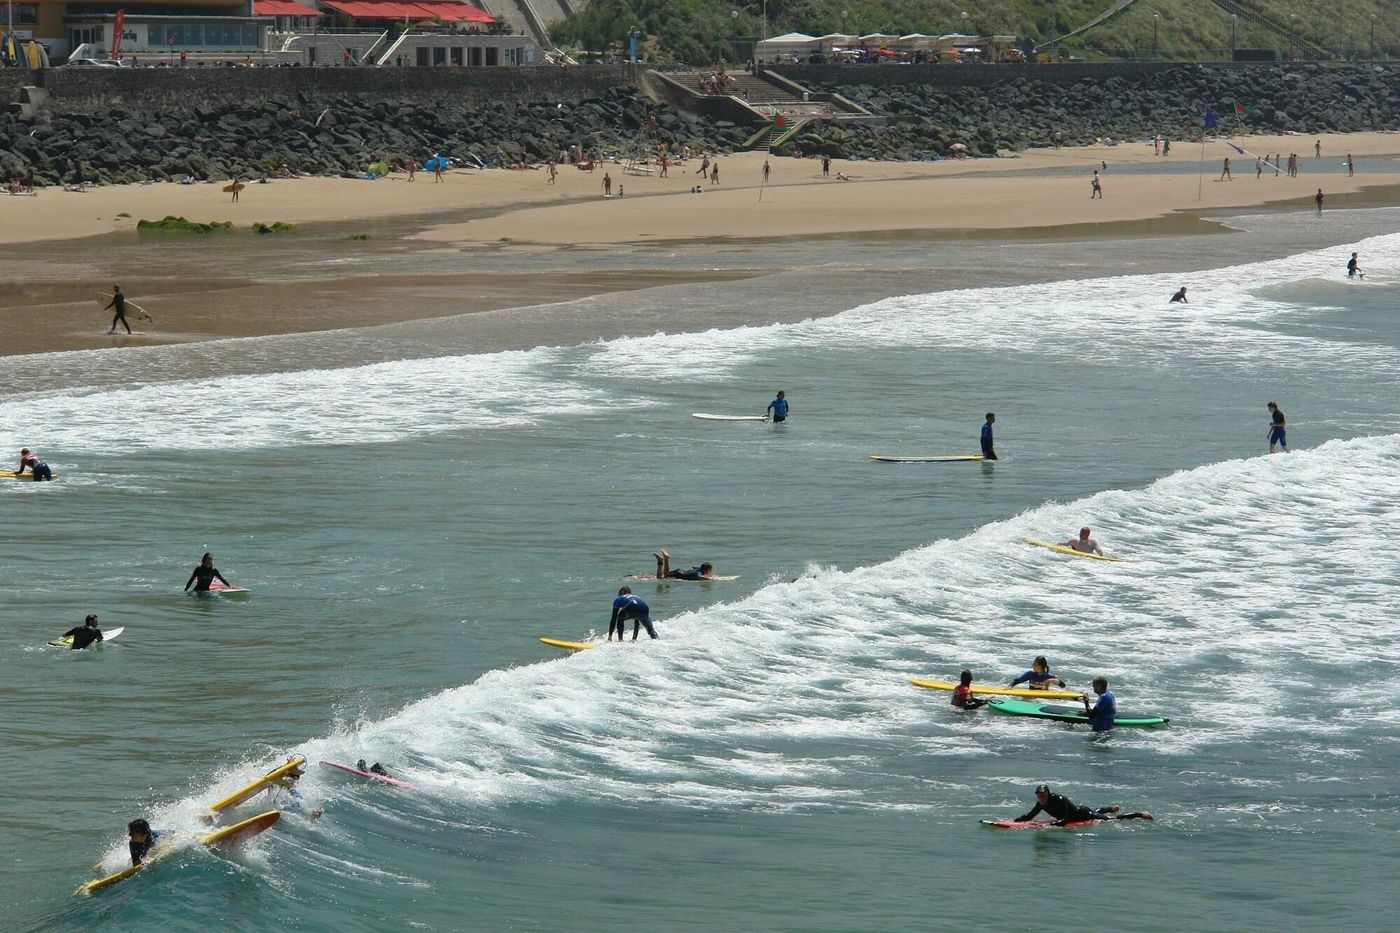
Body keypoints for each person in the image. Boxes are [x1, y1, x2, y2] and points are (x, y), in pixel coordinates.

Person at [1012, 784, 1153, 826]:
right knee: (1097, 811)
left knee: (1109, 820)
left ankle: (1140, 814)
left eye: (1042, 795)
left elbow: (1066, 819)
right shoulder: (1040, 804)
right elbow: (1030, 816)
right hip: (1078, 812)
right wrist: (1016, 821)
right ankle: (1110, 808)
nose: (1040, 798)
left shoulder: (1061, 799)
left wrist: (1050, 826)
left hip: (1083, 814)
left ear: (1048, 794)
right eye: (1038, 796)